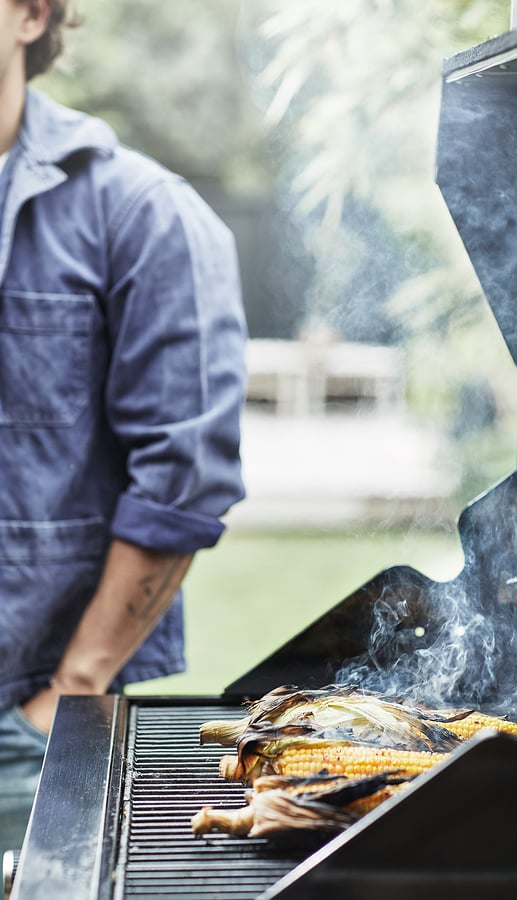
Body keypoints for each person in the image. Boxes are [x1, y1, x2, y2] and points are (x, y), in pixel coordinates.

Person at [0, 0, 247, 855]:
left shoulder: (140, 214)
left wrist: (71, 691)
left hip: (26, 731)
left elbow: (185, 478)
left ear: (32, 15)